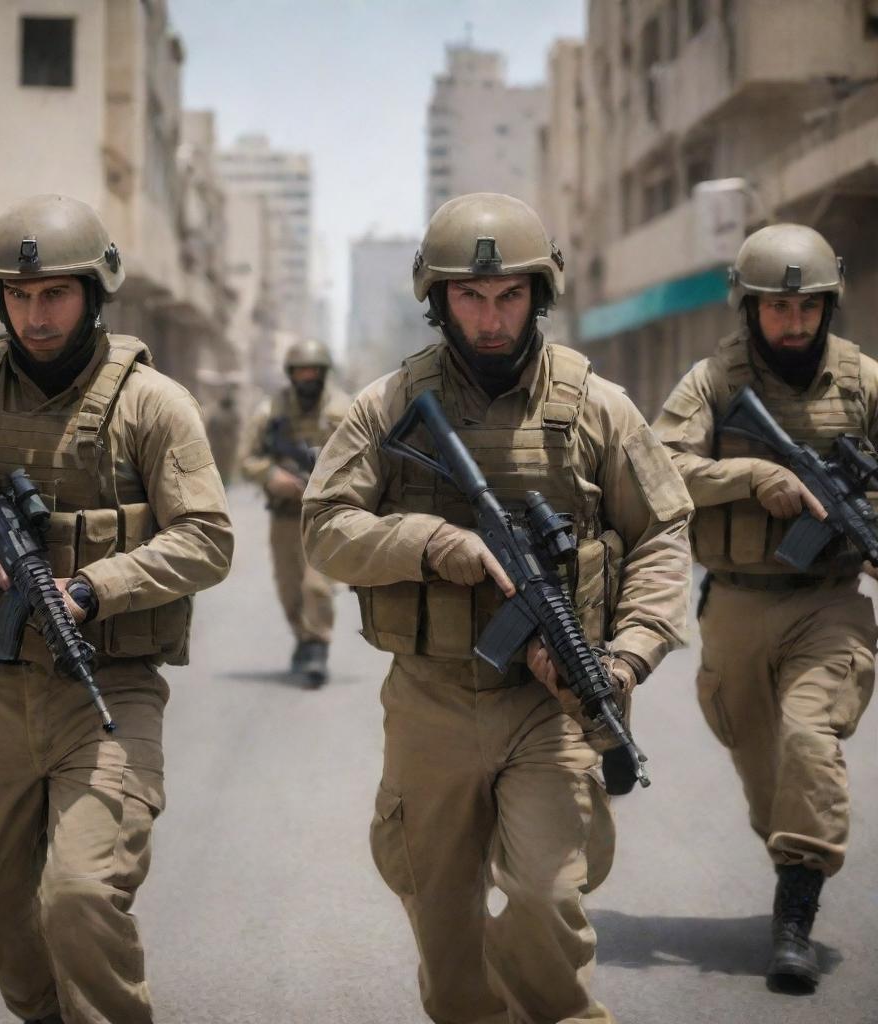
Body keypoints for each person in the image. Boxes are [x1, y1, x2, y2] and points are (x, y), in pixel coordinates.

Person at [302, 193, 692, 1024]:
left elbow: (662, 533)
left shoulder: (596, 407)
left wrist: (628, 655)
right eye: (469, 297)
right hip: (432, 698)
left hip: (550, 710)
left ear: (539, 295)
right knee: (448, 948)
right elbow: (325, 530)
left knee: (549, 902)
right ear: (437, 299)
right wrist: (427, 541)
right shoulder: (386, 406)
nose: (488, 317)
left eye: (508, 296)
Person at [0, 194, 233, 1024]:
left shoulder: (152, 405)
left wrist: (99, 587)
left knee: (79, 896)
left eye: (54, 293)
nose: (35, 314)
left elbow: (209, 538)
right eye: (18, 297)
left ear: (95, 294)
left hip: (107, 690)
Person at [652, 223, 877, 991]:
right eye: (776, 309)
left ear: (827, 307)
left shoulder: (861, 382)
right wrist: (749, 475)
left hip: (829, 602)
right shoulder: (713, 381)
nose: (793, 324)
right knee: (765, 772)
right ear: (748, 309)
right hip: (738, 603)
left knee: (810, 741)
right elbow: (665, 464)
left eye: (807, 308)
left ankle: (795, 922)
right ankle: (792, 865)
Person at [240, 339, 350, 686]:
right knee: (288, 587)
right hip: (285, 513)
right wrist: (273, 477)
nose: (306, 377)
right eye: (300, 371)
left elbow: (361, 459)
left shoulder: (341, 410)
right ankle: (303, 639)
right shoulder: (271, 410)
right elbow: (246, 458)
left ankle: (317, 644)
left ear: (322, 373)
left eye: (312, 371)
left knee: (316, 585)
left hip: (325, 514)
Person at [206, 389, 241, 486]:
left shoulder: (231, 415)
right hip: (220, 448)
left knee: (223, 472)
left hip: (224, 449)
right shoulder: (217, 414)